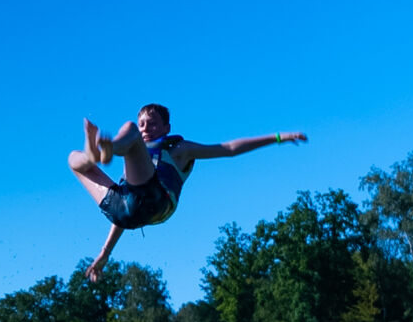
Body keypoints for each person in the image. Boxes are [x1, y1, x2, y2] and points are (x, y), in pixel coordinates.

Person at [70, 103, 307, 283]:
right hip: (125, 209)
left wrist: (278, 137)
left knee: (128, 129)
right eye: (142, 124)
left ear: (166, 128)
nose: (146, 128)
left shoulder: (179, 150)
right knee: (73, 160)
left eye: (152, 124)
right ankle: (95, 155)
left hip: (155, 201)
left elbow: (229, 149)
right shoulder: (137, 159)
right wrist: (105, 253)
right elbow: (128, 212)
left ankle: (108, 149)